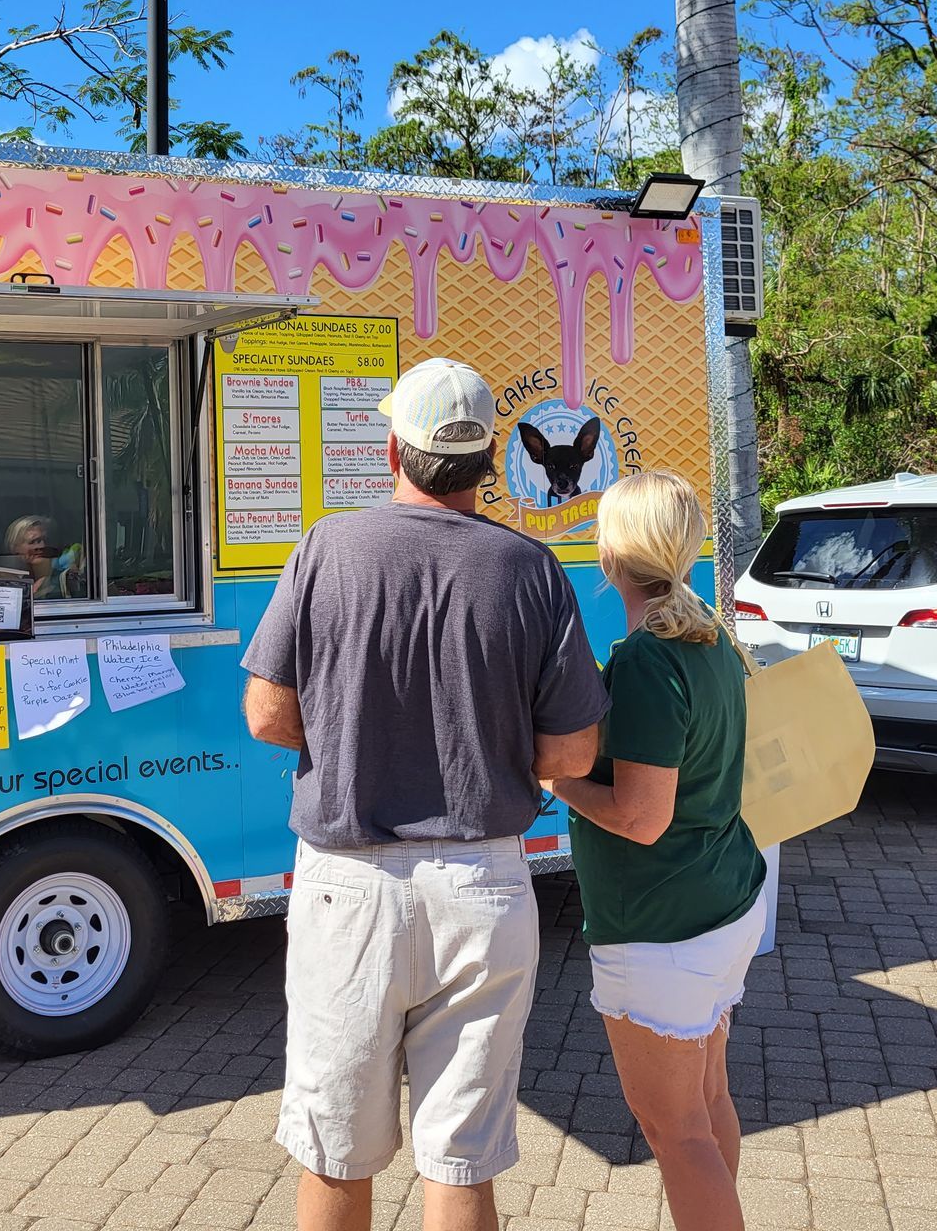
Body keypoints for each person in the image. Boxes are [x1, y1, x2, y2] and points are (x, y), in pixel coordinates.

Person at [241, 357, 604, 1231]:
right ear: (488, 465)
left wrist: (343, 736)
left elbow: (264, 714)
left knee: (334, 1152)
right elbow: (574, 749)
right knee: (461, 1158)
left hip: (348, 887)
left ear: (392, 451)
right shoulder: (532, 569)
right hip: (485, 887)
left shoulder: (327, 547)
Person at [543, 470, 767, 1231]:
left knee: (678, 1136)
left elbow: (641, 818)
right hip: (722, 902)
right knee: (706, 1106)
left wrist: (555, 777)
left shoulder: (646, 657)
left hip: (660, 921)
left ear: (611, 554)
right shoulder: (707, 636)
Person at [4, 514, 82, 600]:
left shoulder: (65, 581)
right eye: (34, 541)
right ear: (14, 548)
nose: (42, 546)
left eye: (46, 540)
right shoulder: (7, 584)